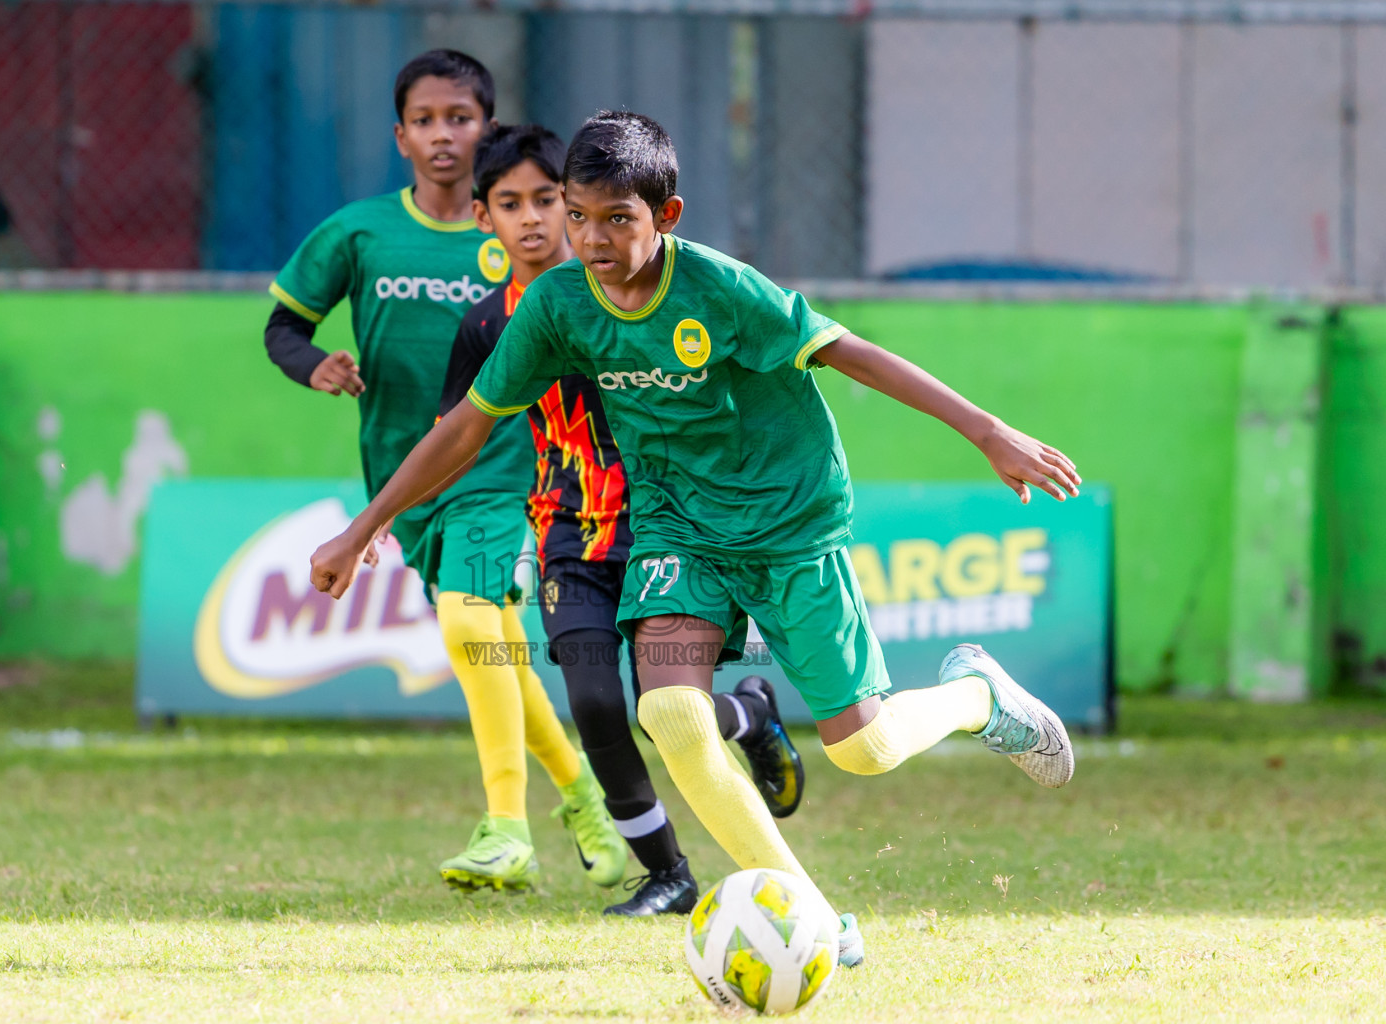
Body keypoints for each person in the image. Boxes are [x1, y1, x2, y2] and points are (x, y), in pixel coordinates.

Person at [307, 110, 1080, 966]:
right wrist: (362, 528)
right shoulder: (558, 306)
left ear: (664, 217)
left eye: (617, 219)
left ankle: (976, 697)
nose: (591, 239)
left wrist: (987, 431)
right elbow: (465, 427)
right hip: (677, 527)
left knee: (864, 750)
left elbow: (852, 352)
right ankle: (814, 916)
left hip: (789, 521)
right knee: (670, 712)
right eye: (578, 215)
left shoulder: (721, 288)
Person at [262, 51, 621, 894]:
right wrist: (312, 362)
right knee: (493, 650)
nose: (441, 135)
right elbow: (282, 327)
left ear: (486, 130)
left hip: (508, 471)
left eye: (458, 118)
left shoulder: (531, 235)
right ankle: (586, 799)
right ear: (400, 137)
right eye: (424, 121)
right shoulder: (359, 232)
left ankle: (504, 827)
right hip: (406, 475)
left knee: (470, 625)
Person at [435, 124, 808, 918]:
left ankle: (750, 714)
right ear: (486, 220)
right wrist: (403, 526)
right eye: (517, 204)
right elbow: (456, 436)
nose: (537, 221)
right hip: (566, 534)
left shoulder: (632, 299)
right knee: (597, 703)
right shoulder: (487, 325)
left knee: (663, 707)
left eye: (549, 202)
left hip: (661, 526)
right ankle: (667, 875)